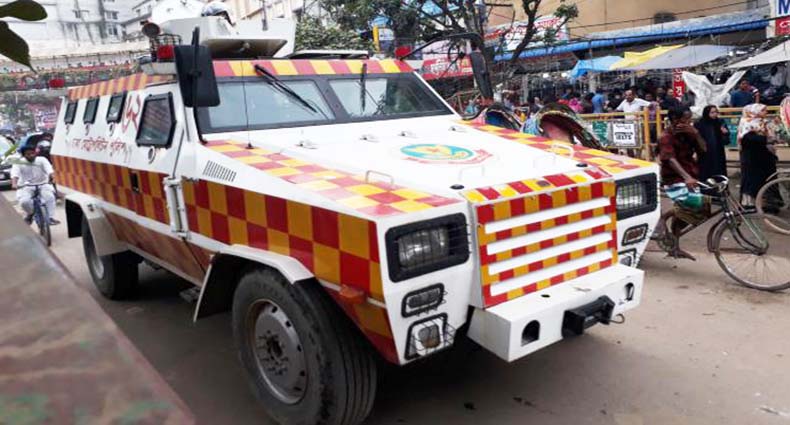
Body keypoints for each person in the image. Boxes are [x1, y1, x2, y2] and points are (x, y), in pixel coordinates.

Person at [658, 107, 708, 259]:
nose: (689, 122)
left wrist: (696, 134)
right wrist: (686, 177)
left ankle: (675, 247)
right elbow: (670, 159)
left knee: (686, 215)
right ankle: (663, 217)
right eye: (686, 119)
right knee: (695, 203)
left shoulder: (689, 133)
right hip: (674, 177)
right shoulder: (665, 136)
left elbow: (703, 149)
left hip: (691, 173)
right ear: (675, 120)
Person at [737, 103, 778, 207]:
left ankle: (768, 204)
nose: (766, 112)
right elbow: (746, 139)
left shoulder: (765, 122)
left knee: (767, 179)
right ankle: (749, 204)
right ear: (754, 111)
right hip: (751, 157)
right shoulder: (747, 123)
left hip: (765, 156)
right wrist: (765, 139)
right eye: (763, 110)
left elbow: (773, 135)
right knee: (751, 180)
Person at [10, 142, 59, 225]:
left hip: (43, 184)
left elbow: (49, 170)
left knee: (50, 197)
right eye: (28, 154)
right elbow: (15, 174)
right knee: (24, 202)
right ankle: (30, 214)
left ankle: (50, 217)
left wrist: (53, 178)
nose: (31, 156)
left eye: (32, 153)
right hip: (26, 186)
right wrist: (14, 184)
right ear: (23, 155)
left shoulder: (42, 160)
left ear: (35, 153)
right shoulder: (18, 162)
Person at [694, 105, 729, 183]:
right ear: (706, 113)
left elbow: (726, 141)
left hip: (718, 152)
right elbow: (695, 139)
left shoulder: (720, 122)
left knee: (719, 173)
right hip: (704, 152)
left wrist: (725, 133)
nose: (715, 114)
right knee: (706, 173)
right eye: (712, 112)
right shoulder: (699, 123)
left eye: (716, 112)